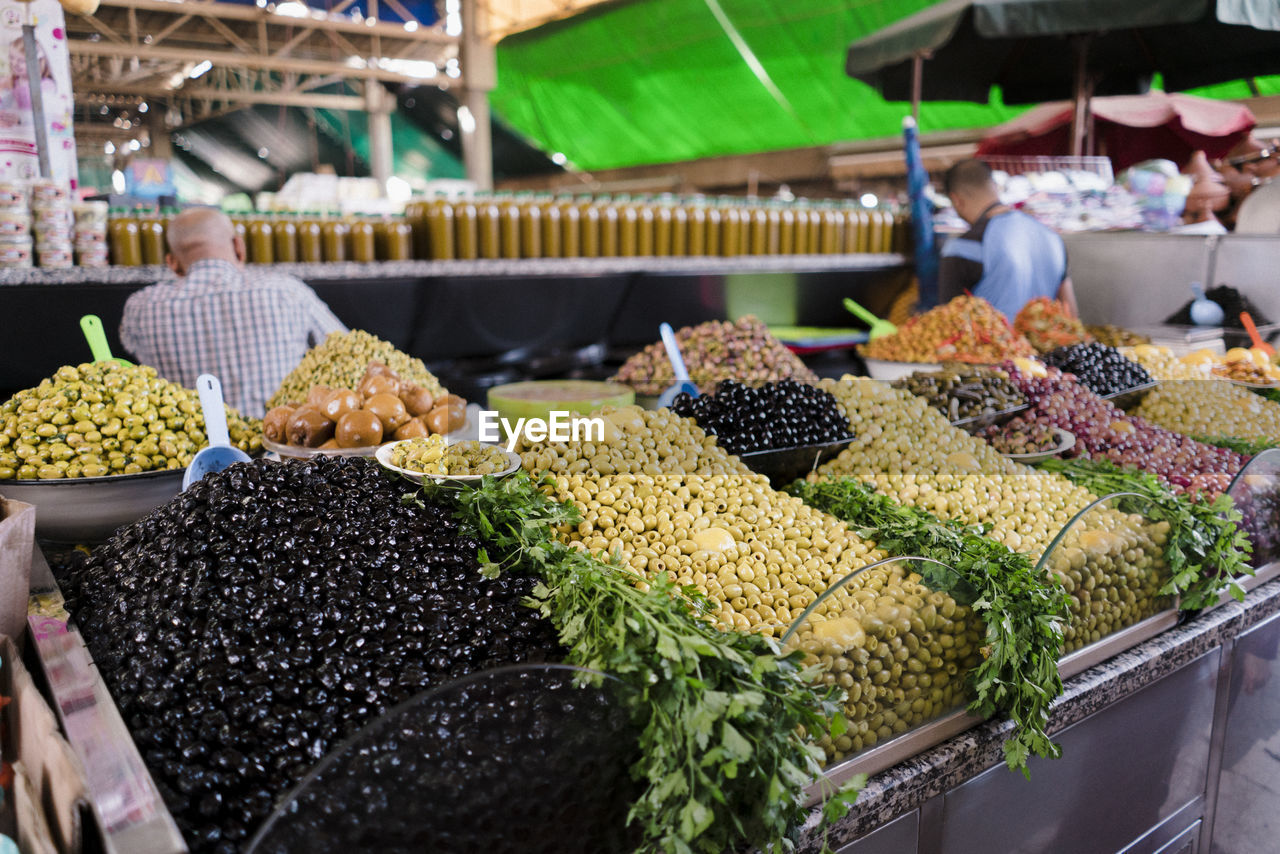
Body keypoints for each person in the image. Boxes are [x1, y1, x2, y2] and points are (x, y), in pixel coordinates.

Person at [120, 207, 346, 417]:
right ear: (239, 246)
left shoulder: (142, 307)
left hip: (188, 453)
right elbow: (348, 349)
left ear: (172, 263)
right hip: (281, 449)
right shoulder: (286, 291)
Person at [937, 159, 1077, 320]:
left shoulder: (961, 247)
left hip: (993, 345)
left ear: (956, 200)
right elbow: (1070, 315)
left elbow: (948, 324)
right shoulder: (1052, 238)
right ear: (995, 187)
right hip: (1053, 344)